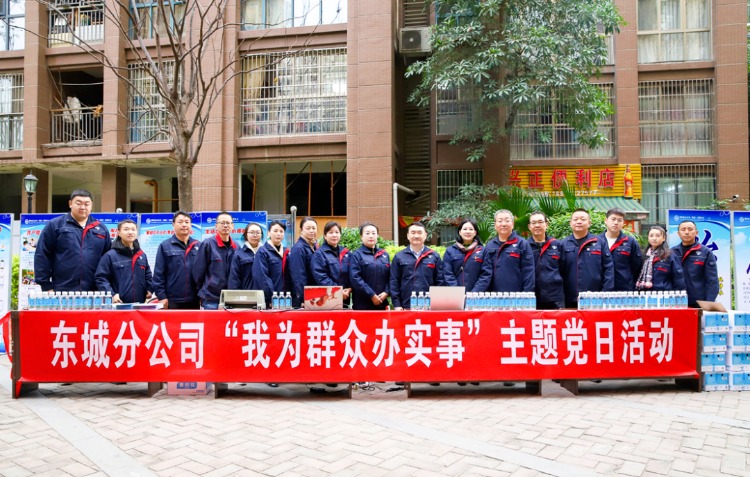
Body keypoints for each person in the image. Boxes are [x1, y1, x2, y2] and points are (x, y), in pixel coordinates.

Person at [34, 189, 111, 292]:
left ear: (91, 205)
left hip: (95, 291)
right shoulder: (56, 225)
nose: (83, 207)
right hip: (62, 289)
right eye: (78, 203)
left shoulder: (101, 229)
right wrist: (46, 286)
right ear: (70, 204)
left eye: (87, 204)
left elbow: (108, 259)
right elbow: (42, 254)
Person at [560, 208, 614, 308]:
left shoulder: (599, 242)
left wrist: (605, 293)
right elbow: (559, 272)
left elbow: (608, 269)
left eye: (583, 219)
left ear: (589, 223)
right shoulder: (563, 244)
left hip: (595, 298)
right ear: (570, 223)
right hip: (570, 298)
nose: (579, 222)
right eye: (575, 219)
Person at [472, 210, 535, 293]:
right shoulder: (490, 245)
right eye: (500, 221)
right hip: (494, 296)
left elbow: (529, 272)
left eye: (507, 220)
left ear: (513, 224)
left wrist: (526, 295)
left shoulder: (522, 244)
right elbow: (485, 273)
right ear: (495, 225)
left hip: (516, 295)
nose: (504, 224)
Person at [95, 219, 153, 303]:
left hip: (139, 304)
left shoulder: (141, 255)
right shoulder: (110, 255)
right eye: (126, 229)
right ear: (118, 232)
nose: (130, 232)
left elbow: (148, 276)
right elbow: (101, 278)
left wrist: (149, 289)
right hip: (118, 304)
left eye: (133, 229)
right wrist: (112, 294)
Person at [152, 211, 200, 309]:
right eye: (180, 222)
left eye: (187, 222)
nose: (184, 225)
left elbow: (203, 273)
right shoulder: (165, 246)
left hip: (195, 299)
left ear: (191, 225)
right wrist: (162, 296)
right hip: (172, 300)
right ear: (173, 224)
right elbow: (159, 274)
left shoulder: (198, 245)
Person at [390, 221, 443, 310]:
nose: (416, 236)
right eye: (413, 232)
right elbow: (394, 281)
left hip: (428, 306)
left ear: (425, 235)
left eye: (419, 232)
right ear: (408, 235)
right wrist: (397, 304)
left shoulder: (434, 256)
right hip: (405, 305)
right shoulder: (399, 256)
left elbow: (440, 281)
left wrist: (436, 304)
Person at [192, 211, 237, 310]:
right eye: (222, 223)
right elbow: (198, 272)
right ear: (216, 226)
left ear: (232, 226)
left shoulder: (236, 247)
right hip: (211, 297)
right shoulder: (207, 244)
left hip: (231, 297)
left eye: (228, 223)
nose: (225, 225)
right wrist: (204, 289)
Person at [672, 220, 719, 307]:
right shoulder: (672, 252)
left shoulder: (706, 252)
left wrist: (709, 304)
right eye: (683, 229)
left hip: (698, 302)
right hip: (676, 301)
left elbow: (712, 281)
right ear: (678, 234)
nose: (686, 232)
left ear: (696, 233)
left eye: (690, 229)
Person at [527, 211, 565, 309]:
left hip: (554, 295)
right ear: (529, 226)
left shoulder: (557, 245)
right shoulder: (525, 246)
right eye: (534, 223)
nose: (537, 225)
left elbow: (564, 269)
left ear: (546, 224)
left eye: (540, 222)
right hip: (532, 295)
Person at [349, 222, 390, 310]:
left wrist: (386, 292)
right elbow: (355, 278)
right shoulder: (356, 255)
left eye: (373, 233)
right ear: (361, 236)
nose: (371, 236)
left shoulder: (384, 254)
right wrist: (372, 295)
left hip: (382, 302)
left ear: (377, 235)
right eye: (367, 233)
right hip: (362, 304)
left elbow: (391, 277)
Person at [598, 208, 642, 291]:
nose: (616, 223)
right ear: (606, 220)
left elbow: (637, 266)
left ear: (623, 223)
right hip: (600, 288)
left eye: (619, 220)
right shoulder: (596, 241)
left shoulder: (630, 242)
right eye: (613, 219)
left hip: (624, 289)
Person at [310, 221, 351, 302]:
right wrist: (338, 291)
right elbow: (321, 277)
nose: (334, 235)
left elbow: (352, 272)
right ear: (325, 236)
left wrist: (350, 288)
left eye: (337, 232)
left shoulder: (346, 253)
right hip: (327, 298)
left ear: (340, 235)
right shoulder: (319, 254)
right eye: (331, 232)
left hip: (345, 297)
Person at [251, 220, 289, 307]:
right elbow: (262, 277)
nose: (278, 234)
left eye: (281, 231)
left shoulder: (286, 252)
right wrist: (272, 297)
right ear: (268, 233)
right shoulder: (262, 252)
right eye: (275, 231)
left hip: (285, 299)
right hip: (270, 300)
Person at [636, 226, 686, 292]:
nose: (654, 238)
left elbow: (678, 277)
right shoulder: (644, 255)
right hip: (645, 293)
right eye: (651, 236)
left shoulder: (670, 255)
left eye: (657, 236)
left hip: (664, 293)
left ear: (664, 238)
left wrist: (679, 294)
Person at [442, 219, 484, 291]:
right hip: (455, 293)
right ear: (460, 232)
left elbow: (486, 274)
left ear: (475, 232)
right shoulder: (450, 251)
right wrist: (457, 291)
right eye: (465, 229)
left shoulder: (483, 251)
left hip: (476, 295)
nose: (468, 231)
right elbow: (447, 273)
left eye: (471, 229)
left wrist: (475, 292)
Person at [288, 217, 318, 308]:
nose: (311, 231)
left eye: (314, 228)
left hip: (313, 295)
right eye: (308, 228)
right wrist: (302, 298)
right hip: (303, 299)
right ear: (301, 230)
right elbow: (298, 276)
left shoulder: (314, 247)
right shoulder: (298, 248)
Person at [228, 223, 264, 290]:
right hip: (246, 294)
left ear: (261, 235)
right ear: (246, 235)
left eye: (258, 232)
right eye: (252, 232)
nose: (255, 235)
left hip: (264, 294)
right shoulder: (238, 255)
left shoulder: (266, 253)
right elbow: (234, 280)